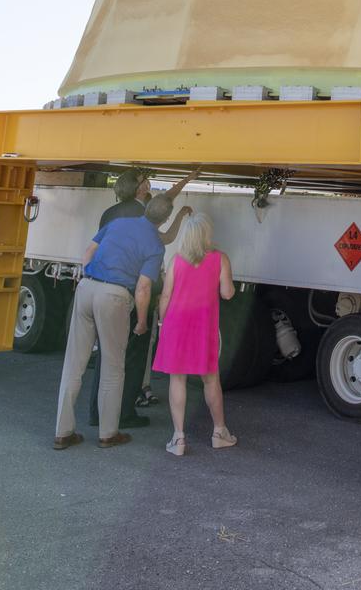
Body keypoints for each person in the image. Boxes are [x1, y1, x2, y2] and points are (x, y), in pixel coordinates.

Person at [54, 194, 174, 449]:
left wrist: (88, 277)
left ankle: (62, 432)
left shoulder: (119, 223)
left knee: (74, 364)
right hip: (115, 296)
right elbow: (143, 287)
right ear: (165, 218)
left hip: (87, 287)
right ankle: (108, 433)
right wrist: (141, 321)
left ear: (146, 209)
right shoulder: (155, 244)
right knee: (112, 366)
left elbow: (89, 252)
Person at [88, 165, 200, 428]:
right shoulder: (143, 214)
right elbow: (166, 211)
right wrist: (186, 184)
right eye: (144, 180)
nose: (148, 181)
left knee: (106, 355)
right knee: (133, 358)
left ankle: (96, 412)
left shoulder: (111, 213)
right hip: (131, 292)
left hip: (100, 286)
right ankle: (124, 413)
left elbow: (94, 249)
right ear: (140, 188)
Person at [152, 212, 237, 456]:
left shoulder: (176, 261)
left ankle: (178, 439)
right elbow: (228, 293)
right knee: (210, 379)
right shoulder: (220, 259)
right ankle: (219, 433)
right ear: (206, 234)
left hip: (176, 324)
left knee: (177, 379)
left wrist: (162, 323)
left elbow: (166, 295)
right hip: (203, 326)